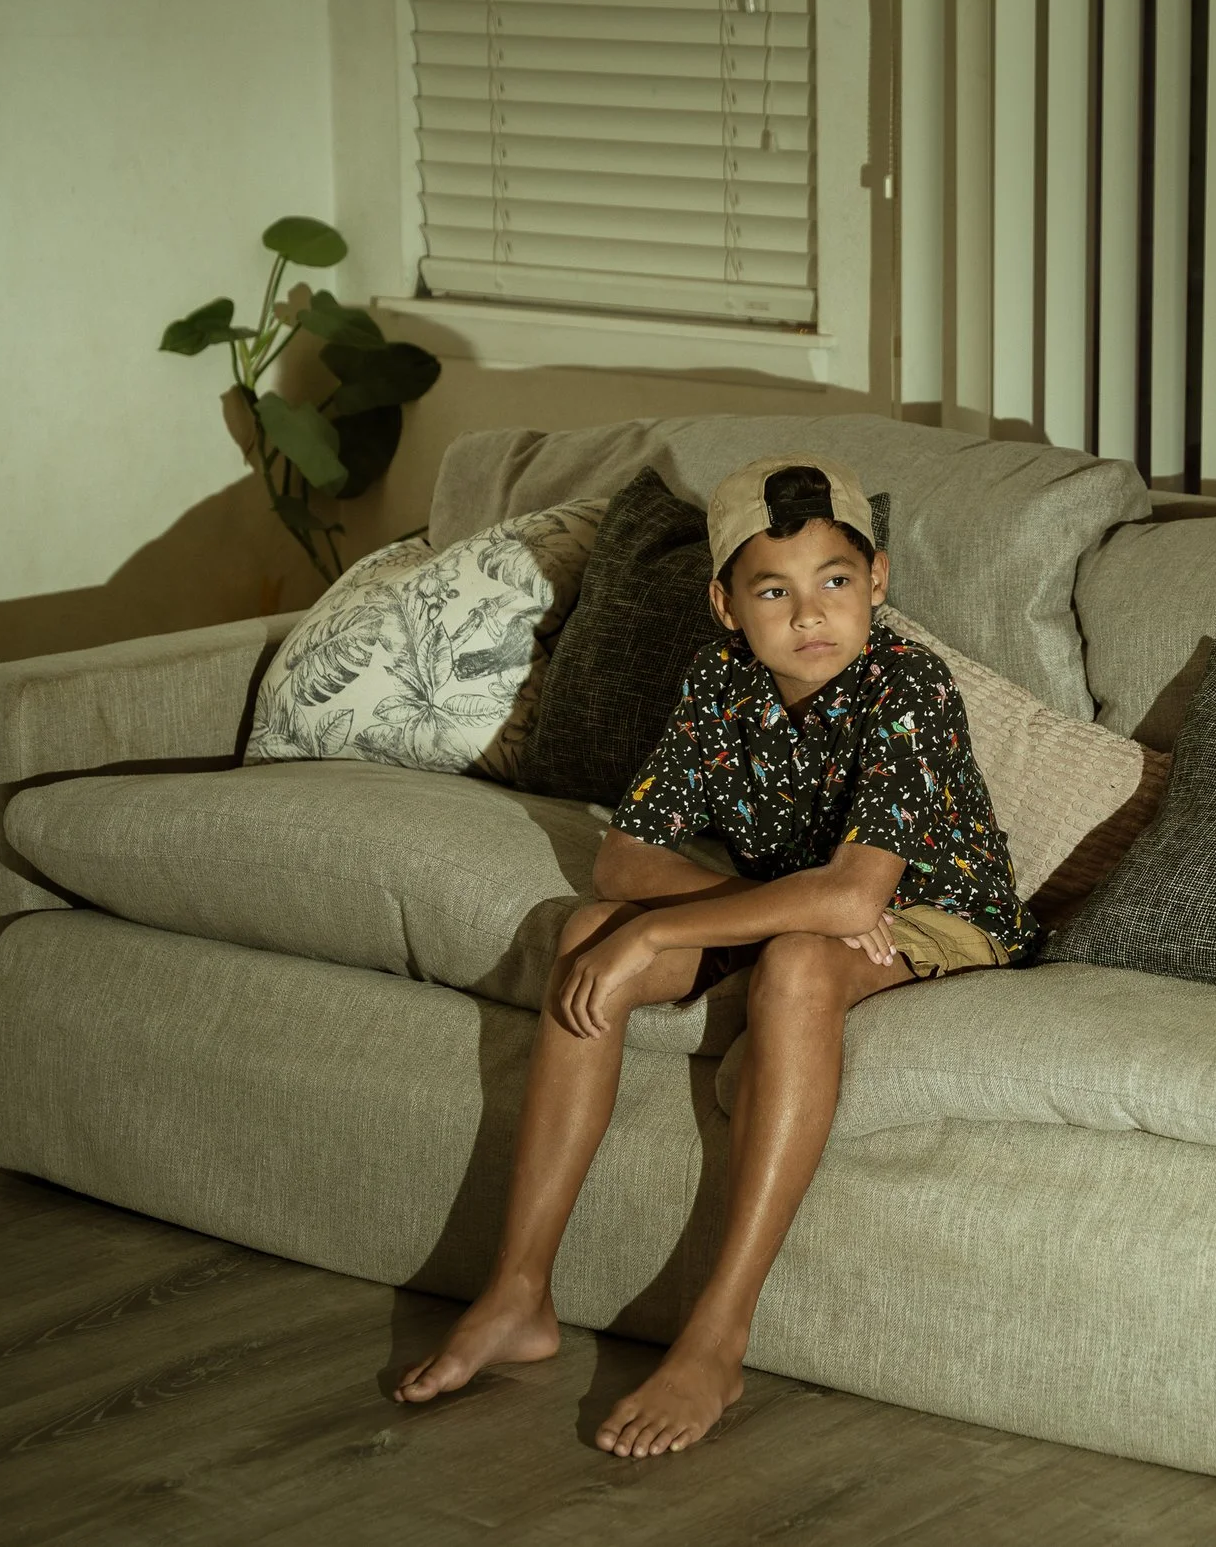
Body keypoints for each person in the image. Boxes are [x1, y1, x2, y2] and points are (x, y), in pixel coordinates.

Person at [392, 453, 1036, 1459]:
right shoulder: (719, 681)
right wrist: (727, 911)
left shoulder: (908, 682)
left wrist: (681, 923)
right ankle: (518, 1290)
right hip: (795, 901)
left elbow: (858, 896)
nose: (809, 612)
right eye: (773, 590)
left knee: (796, 962)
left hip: (935, 914)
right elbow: (623, 856)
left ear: (878, 581)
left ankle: (718, 1332)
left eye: (834, 580)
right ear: (726, 604)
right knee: (584, 934)